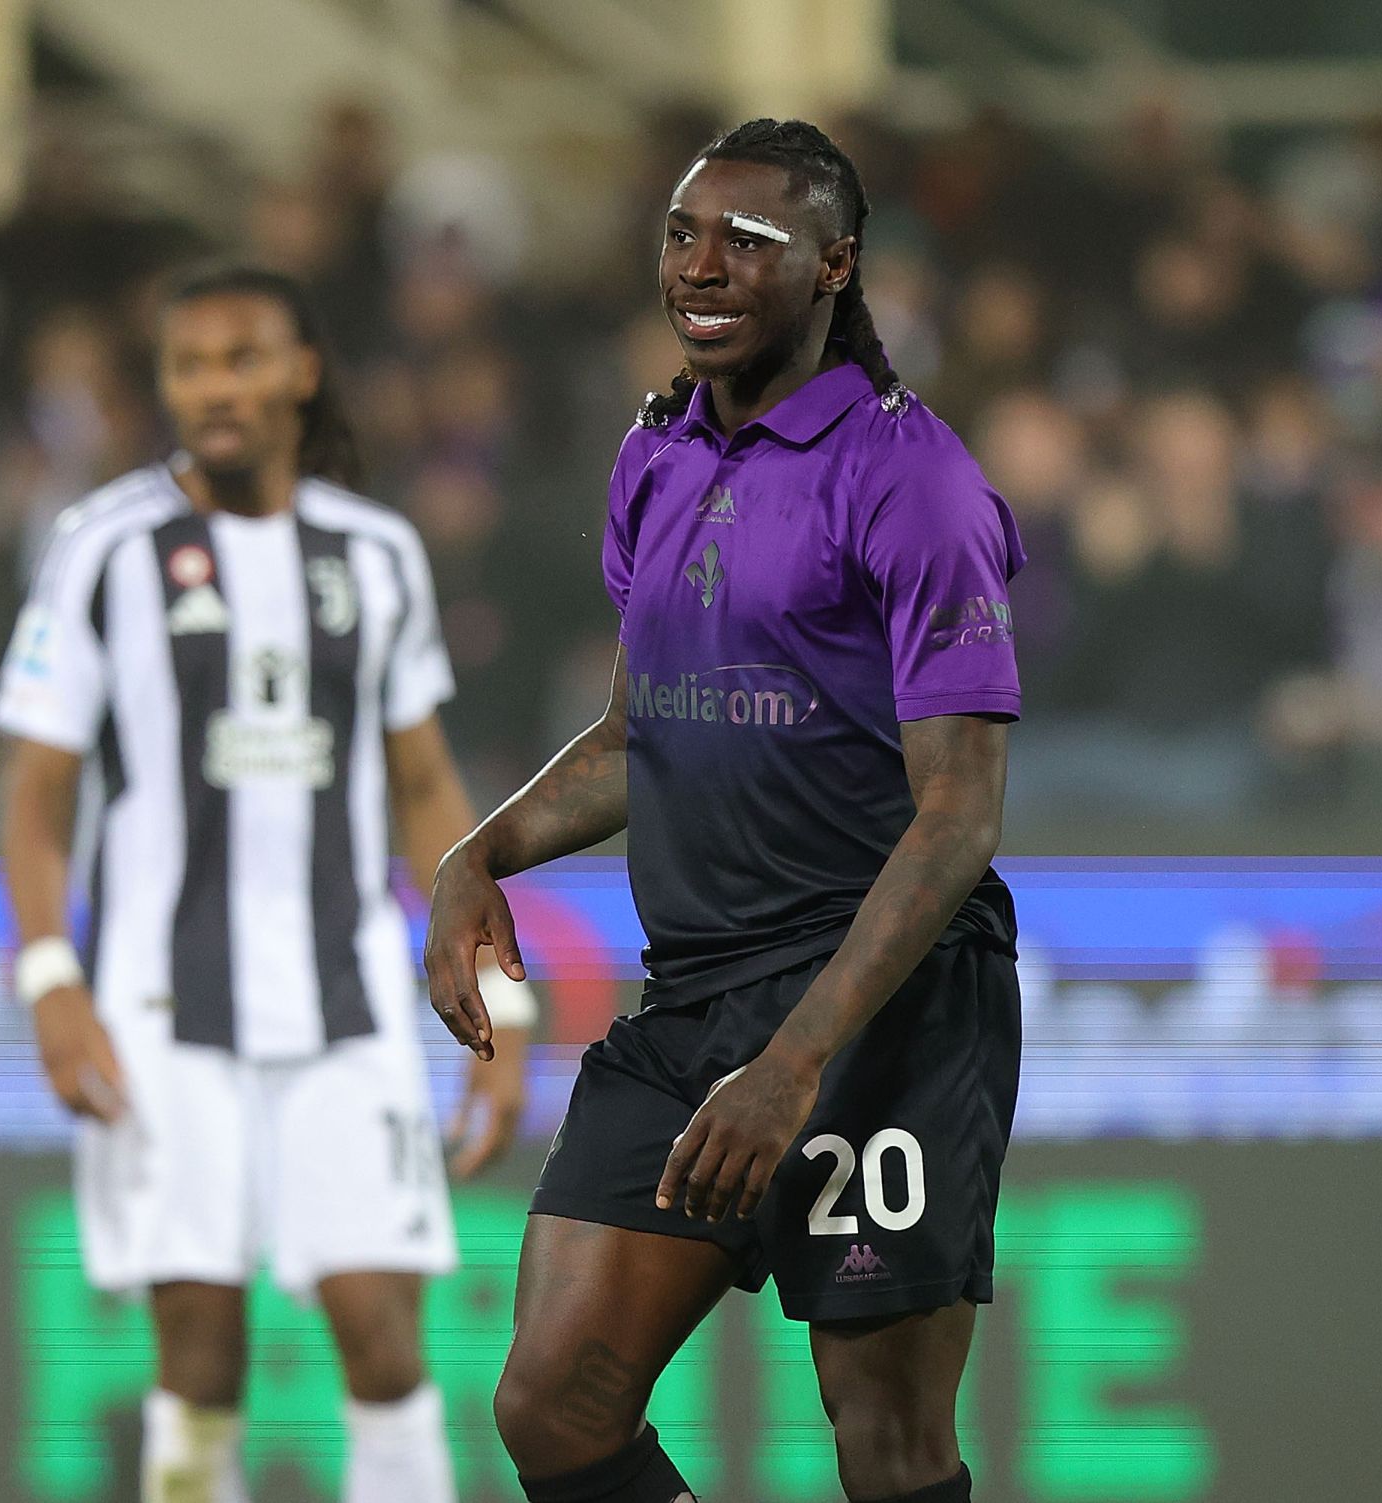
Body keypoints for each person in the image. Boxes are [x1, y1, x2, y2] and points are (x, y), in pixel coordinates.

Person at [425, 119, 1024, 1503]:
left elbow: (956, 817)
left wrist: (801, 1059)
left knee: (883, 1441)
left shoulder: (912, 477)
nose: (701, 264)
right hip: (692, 1000)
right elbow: (646, 728)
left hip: (882, 1008)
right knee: (551, 1405)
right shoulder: (655, 452)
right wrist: (482, 847)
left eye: (746, 240)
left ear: (832, 265)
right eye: (682, 233)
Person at [0, 262, 533, 1503]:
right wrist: (48, 980)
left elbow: (425, 789)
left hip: (346, 1010)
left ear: (300, 373)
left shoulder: (377, 553)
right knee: (199, 1353)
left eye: (241, 358)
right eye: (189, 365)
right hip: (159, 1014)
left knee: (383, 1337)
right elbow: (34, 797)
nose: (214, 386)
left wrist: (498, 1004)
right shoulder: (105, 549)